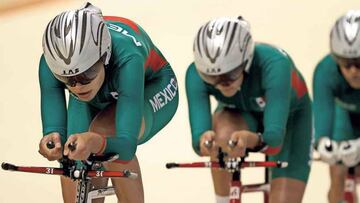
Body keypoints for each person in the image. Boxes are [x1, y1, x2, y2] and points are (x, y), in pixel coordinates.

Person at [37, 2, 178, 203]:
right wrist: (52, 141)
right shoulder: (50, 62)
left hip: (150, 85)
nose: (77, 86)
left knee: (104, 131)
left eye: (87, 73)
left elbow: (126, 147)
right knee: (72, 156)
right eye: (67, 79)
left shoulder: (128, 58)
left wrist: (96, 142)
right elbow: (55, 133)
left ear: (104, 55)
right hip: (100, 94)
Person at [185, 16, 312, 203]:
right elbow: (198, 139)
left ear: (247, 59)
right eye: (212, 78)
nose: (221, 84)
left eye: (229, 74)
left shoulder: (275, 64)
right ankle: (223, 200)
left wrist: (253, 139)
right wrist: (205, 142)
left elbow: (275, 140)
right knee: (222, 136)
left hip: (290, 119)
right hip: (240, 113)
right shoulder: (194, 74)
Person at [313, 10, 360, 203]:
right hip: (345, 115)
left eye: (359, 63)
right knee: (338, 171)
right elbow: (323, 115)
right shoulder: (325, 71)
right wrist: (322, 143)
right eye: (345, 63)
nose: (353, 71)